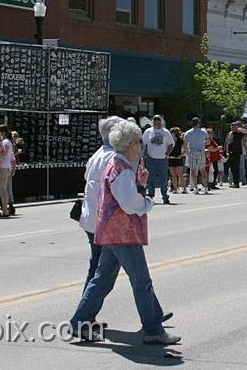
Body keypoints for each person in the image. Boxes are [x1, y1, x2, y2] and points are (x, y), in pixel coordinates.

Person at [69, 120, 180, 345]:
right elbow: (129, 204)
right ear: (130, 144)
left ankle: (80, 322)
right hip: (123, 232)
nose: (141, 146)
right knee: (141, 281)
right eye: (139, 142)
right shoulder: (120, 167)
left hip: (110, 231)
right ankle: (153, 328)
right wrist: (147, 202)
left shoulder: (117, 165)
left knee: (102, 279)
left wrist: (138, 184)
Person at [78, 116, 124, 292]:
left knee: (97, 267)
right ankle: (84, 314)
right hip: (106, 221)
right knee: (104, 272)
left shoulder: (98, 154)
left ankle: (85, 313)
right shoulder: (114, 157)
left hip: (92, 218)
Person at [141, 115, 174, 204]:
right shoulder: (148, 132)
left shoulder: (166, 132)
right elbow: (143, 144)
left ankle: (165, 196)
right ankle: (150, 196)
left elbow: (171, 144)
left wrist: (167, 153)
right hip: (151, 159)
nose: (156, 122)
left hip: (162, 159)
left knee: (163, 179)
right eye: (155, 120)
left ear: (161, 121)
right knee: (150, 179)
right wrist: (144, 153)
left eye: (158, 120)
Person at [183, 117, 209, 194]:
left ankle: (196, 188)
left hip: (192, 152)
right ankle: (206, 188)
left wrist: (188, 152)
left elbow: (185, 144)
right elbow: (207, 142)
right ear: (199, 123)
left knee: (193, 171)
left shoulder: (188, 132)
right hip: (201, 151)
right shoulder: (203, 132)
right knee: (203, 170)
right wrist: (201, 143)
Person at [224, 121, 247, 188]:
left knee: (236, 168)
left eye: (234, 126)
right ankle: (234, 182)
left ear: (236, 127)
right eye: (232, 126)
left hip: (237, 153)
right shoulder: (230, 133)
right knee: (231, 168)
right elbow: (228, 143)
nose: (233, 127)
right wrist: (227, 152)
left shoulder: (239, 133)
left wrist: (240, 129)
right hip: (230, 153)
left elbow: (246, 132)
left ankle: (236, 183)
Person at [167, 127, 185, 194]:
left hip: (178, 158)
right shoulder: (169, 141)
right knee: (173, 174)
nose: (171, 134)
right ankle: (175, 188)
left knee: (180, 174)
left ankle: (184, 188)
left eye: (172, 132)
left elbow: (185, 150)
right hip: (171, 158)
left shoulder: (180, 141)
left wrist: (180, 156)